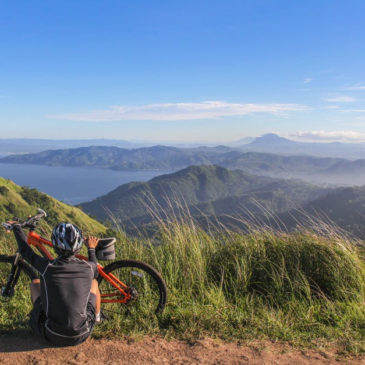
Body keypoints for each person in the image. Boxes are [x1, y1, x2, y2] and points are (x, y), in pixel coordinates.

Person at [8, 220, 101, 346]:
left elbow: (25, 251)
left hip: (52, 334)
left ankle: (39, 317)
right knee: (94, 283)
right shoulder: (89, 268)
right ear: (79, 246)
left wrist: (17, 227)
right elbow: (95, 267)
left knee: (35, 284)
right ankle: (97, 318)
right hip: (81, 334)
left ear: (55, 246)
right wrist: (91, 248)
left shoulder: (47, 267)